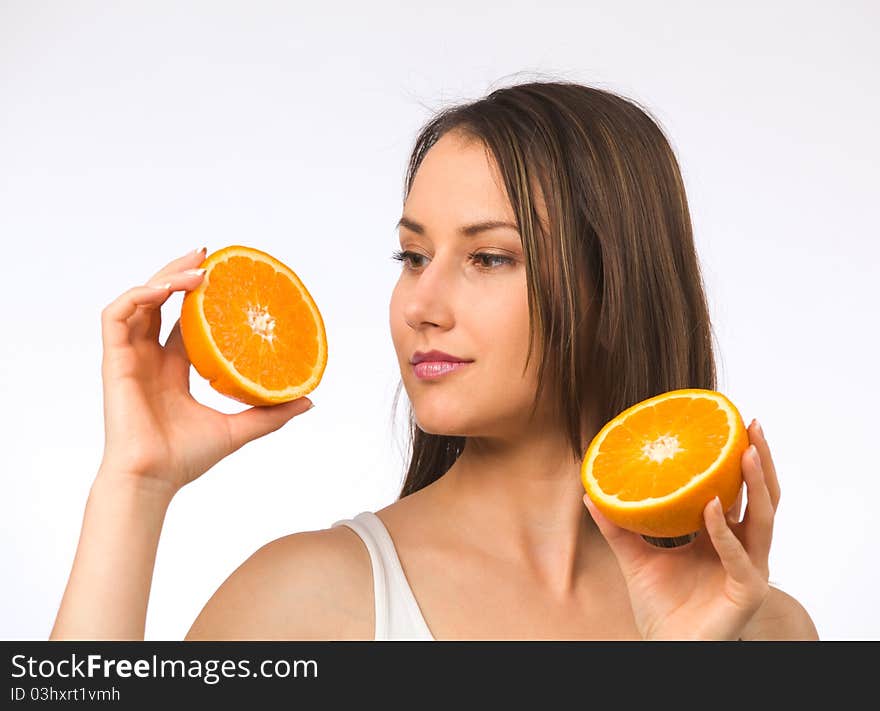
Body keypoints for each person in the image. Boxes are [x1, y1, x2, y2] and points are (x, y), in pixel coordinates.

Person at [50, 79, 819, 641]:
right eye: (413, 255)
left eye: (487, 258)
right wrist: (134, 486)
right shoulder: (305, 603)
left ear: (612, 286)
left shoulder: (762, 629)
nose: (421, 303)